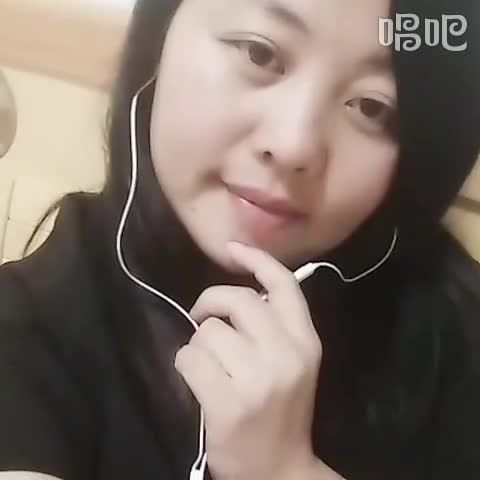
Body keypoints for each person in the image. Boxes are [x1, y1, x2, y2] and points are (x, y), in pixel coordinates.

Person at [0, 0, 479, 479]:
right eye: (258, 53)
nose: (293, 145)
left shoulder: (458, 337)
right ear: (160, 37)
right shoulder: (34, 321)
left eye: (373, 107)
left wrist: (285, 471)